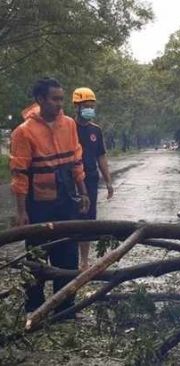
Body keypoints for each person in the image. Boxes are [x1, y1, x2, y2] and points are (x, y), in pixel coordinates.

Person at [10, 77, 90, 315]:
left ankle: (65, 306)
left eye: (61, 99)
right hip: (39, 204)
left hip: (66, 199)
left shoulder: (69, 124)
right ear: (40, 100)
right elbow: (20, 174)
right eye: (54, 99)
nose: (59, 104)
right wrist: (22, 211)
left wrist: (83, 192)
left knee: (67, 254)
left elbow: (76, 161)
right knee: (36, 255)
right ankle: (34, 306)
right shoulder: (23, 133)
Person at [72, 87, 113, 271]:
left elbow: (101, 157)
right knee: (71, 220)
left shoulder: (96, 130)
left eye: (92, 105)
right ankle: (68, 259)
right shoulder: (68, 128)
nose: (90, 109)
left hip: (90, 180)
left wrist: (108, 181)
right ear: (77, 106)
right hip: (70, 182)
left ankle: (84, 261)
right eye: (86, 106)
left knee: (88, 221)